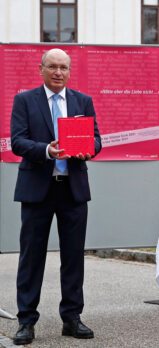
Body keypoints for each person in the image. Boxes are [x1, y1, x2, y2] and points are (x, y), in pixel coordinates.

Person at [10, 48, 101, 345]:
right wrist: (47, 150)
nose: (58, 72)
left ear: (69, 71)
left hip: (72, 189)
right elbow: (18, 141)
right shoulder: (25, 100)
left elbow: (96, 138)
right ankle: (26, 321)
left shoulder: (82, 101)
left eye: (63, 67)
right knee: (31, 257)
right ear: (41, 69)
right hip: (38, 189)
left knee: (73, 257)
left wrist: (91, 148)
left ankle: (72, 318)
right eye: (52, 67)